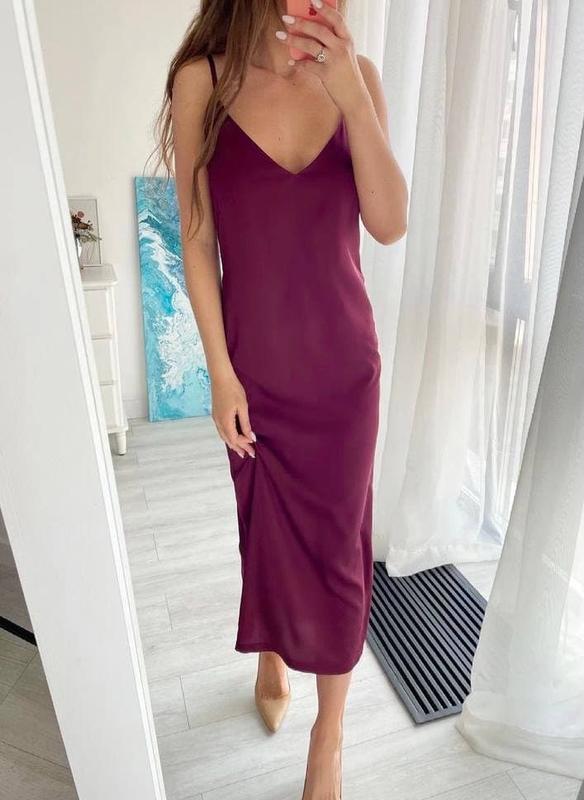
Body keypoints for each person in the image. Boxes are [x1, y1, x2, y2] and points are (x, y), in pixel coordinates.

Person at [155, 1, 407, 796]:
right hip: (256, 373)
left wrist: (353, 95)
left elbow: (390, 224)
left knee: (338, 553)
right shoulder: (204, 82)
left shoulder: (358, 78)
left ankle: (329, 734)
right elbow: (197, 236)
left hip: (343, 372)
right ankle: (271, 646)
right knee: (262, 526)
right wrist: (220, 373)